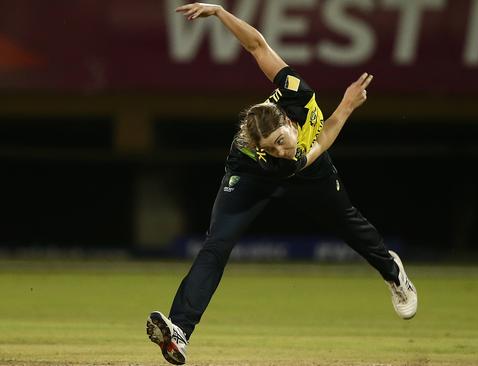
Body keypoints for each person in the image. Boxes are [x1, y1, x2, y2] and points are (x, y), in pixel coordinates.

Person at [146, 3, 418, 365]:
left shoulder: (298, 95)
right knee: (217, 246)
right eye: (273, 147)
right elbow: (316, 145)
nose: (283, 148)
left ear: (287, 121)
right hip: (253, 177)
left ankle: (393, 272)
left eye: (282, 139)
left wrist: (220, 12)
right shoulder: (263, 157)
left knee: (348, 224)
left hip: (313, 169)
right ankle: (180, 330)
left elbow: (257, 47)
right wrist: (344, 110)